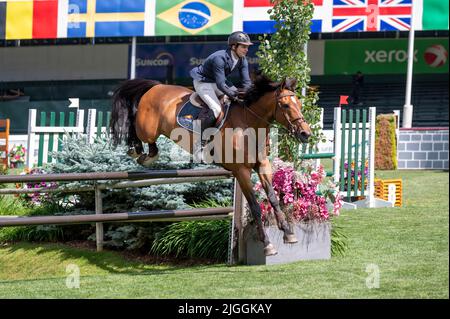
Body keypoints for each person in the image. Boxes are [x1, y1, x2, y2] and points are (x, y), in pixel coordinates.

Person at [190, 31, 253, 130]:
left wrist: (252, 94)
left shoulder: (243, 59)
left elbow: (246, 82)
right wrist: (234, 96)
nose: (246, 50)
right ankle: (200, 140)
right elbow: (220, 84)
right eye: (243, 47)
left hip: (219, 81)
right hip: (204, 82)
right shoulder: (219, 58)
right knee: (217, 109)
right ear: (233, 47)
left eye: (247, 47)